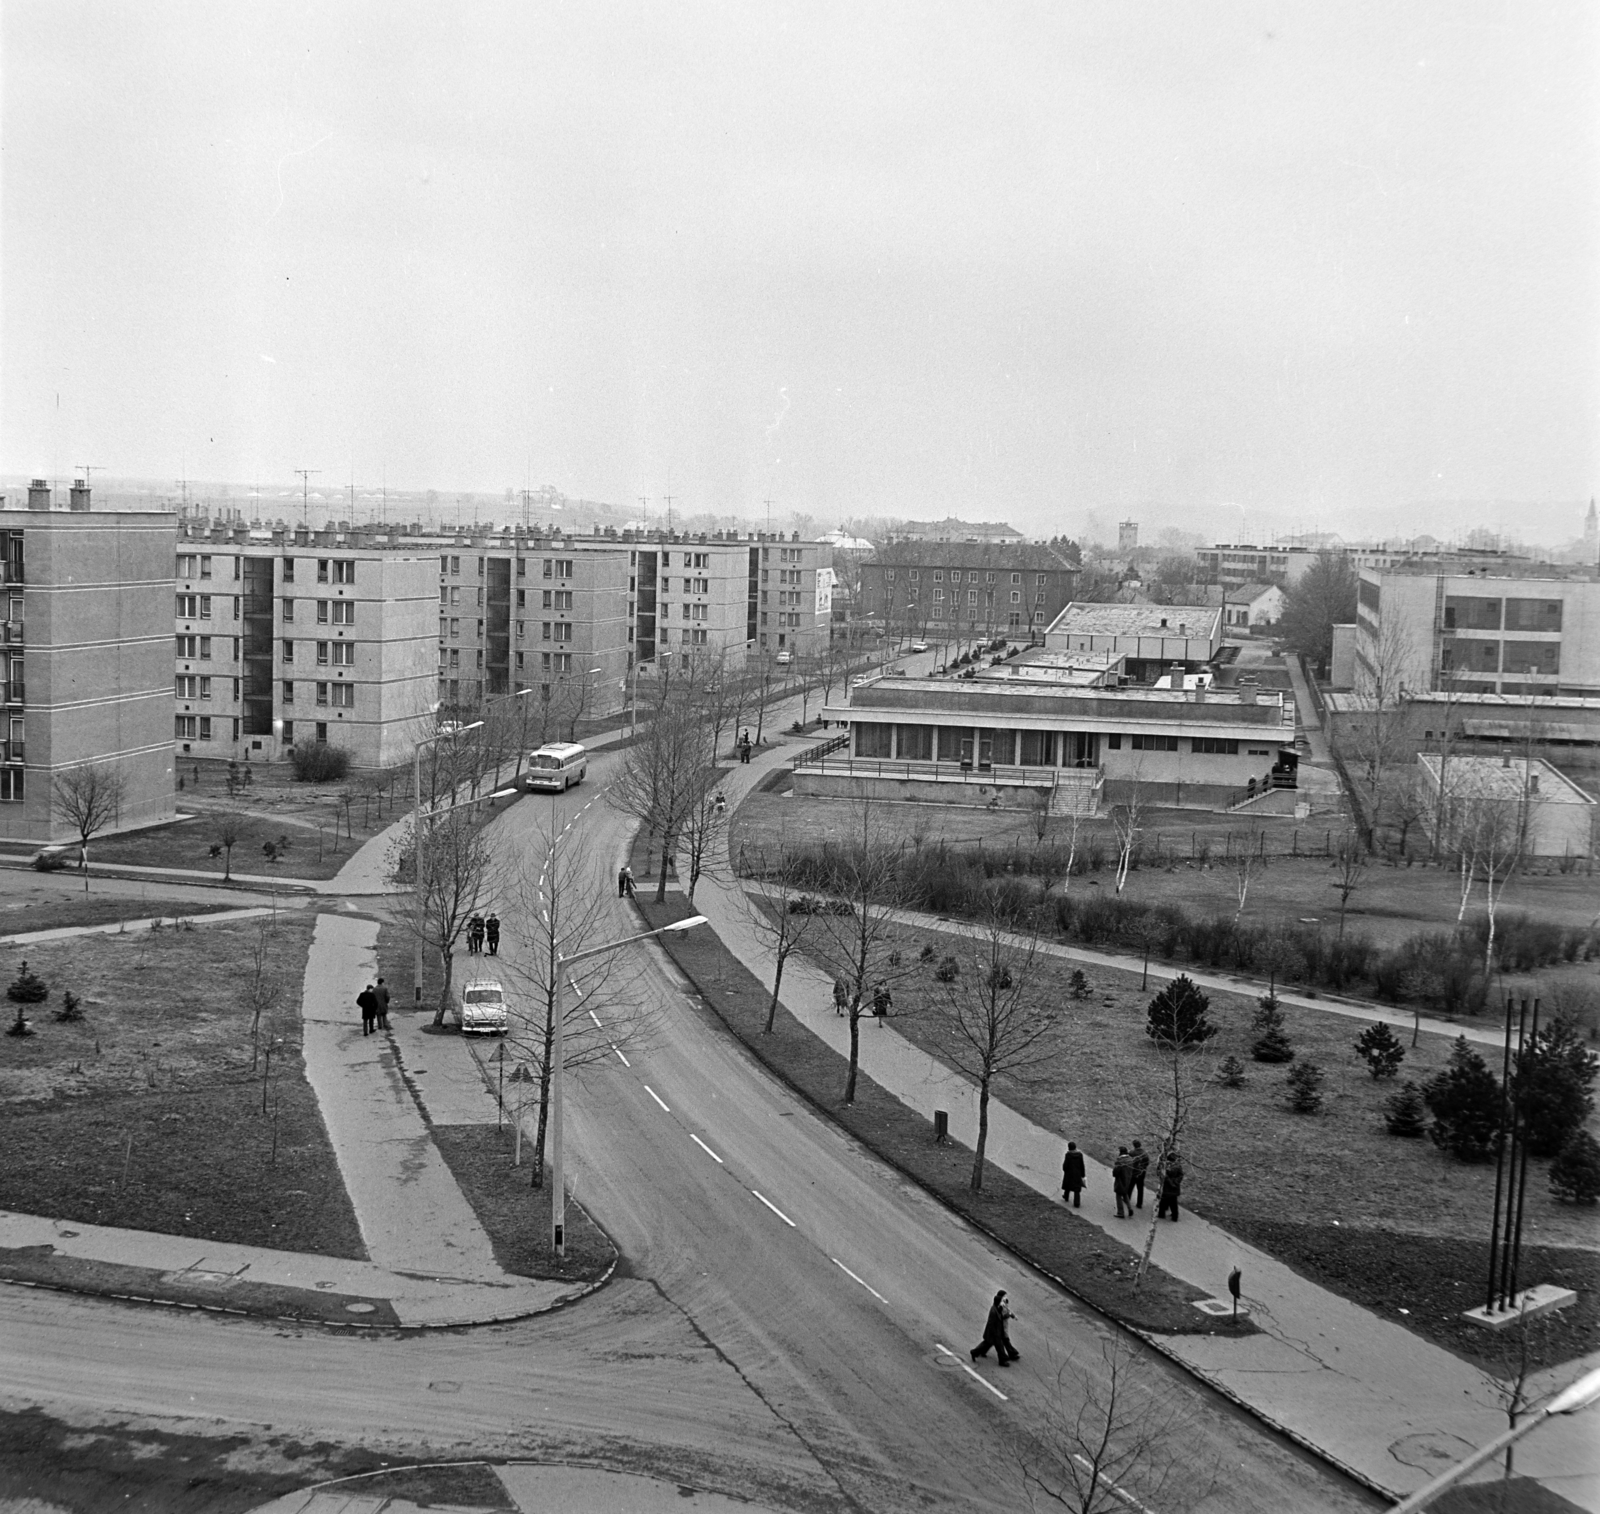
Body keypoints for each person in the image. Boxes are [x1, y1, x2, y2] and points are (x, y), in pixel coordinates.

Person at [970, 1289, 1019, 1366]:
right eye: (1002, 1301)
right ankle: (1002, 1361)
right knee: (999, 1347)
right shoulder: (994, 1311)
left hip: (996, 1332)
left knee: (987, 1344)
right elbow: (991, 1323)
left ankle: (974, 1352)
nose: (1004, 1302)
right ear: (998, 1302)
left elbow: (1001, 1316)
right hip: (994, 1332)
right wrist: (994, 1333)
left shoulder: (998, 1308)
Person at [1158, 1149, 1184, 1222]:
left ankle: (1161, 1214)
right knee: (1174, 1203)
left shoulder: (1165, 1166)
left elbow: (1162, 1174)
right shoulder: (1178, 1166)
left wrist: (1168, 1180)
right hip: (1174, 1187)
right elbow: (1181, 1175)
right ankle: (1175, 1217)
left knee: (1163, 1201)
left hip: (1166, 1186)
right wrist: (1175, 1182)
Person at [1061, 1142, 1085, 1208]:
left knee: (1068, 1184)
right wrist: (1083, 1175)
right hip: (1077, 1173)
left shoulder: (1068, 1155)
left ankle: (1066, 1196)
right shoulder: (1080, 1155)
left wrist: (1064, 1169)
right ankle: (1076, 1202)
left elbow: (1065, 1165)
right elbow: (1082, 1165)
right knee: (1077, 1188)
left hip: (1069, 1173)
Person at [1112, 1147, 1134, 1218]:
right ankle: (1130, 1208)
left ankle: (1120, 1212)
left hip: (1120, 1180)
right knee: (1125, 1193)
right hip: (1128, 1179)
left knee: (1118, 1195)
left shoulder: (1120, 1162)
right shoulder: (1130, 1160)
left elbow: (1115, 1173)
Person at [1130, 1139, 1149, 1210]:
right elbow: (1147, 1163)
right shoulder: (1145, 1154)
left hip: (1134, 1173)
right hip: (1141, 1173)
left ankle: (1127, 1199)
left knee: (1130, 1186)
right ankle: (1139, 1203)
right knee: (1140, 1189)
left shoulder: (1132, 1152)